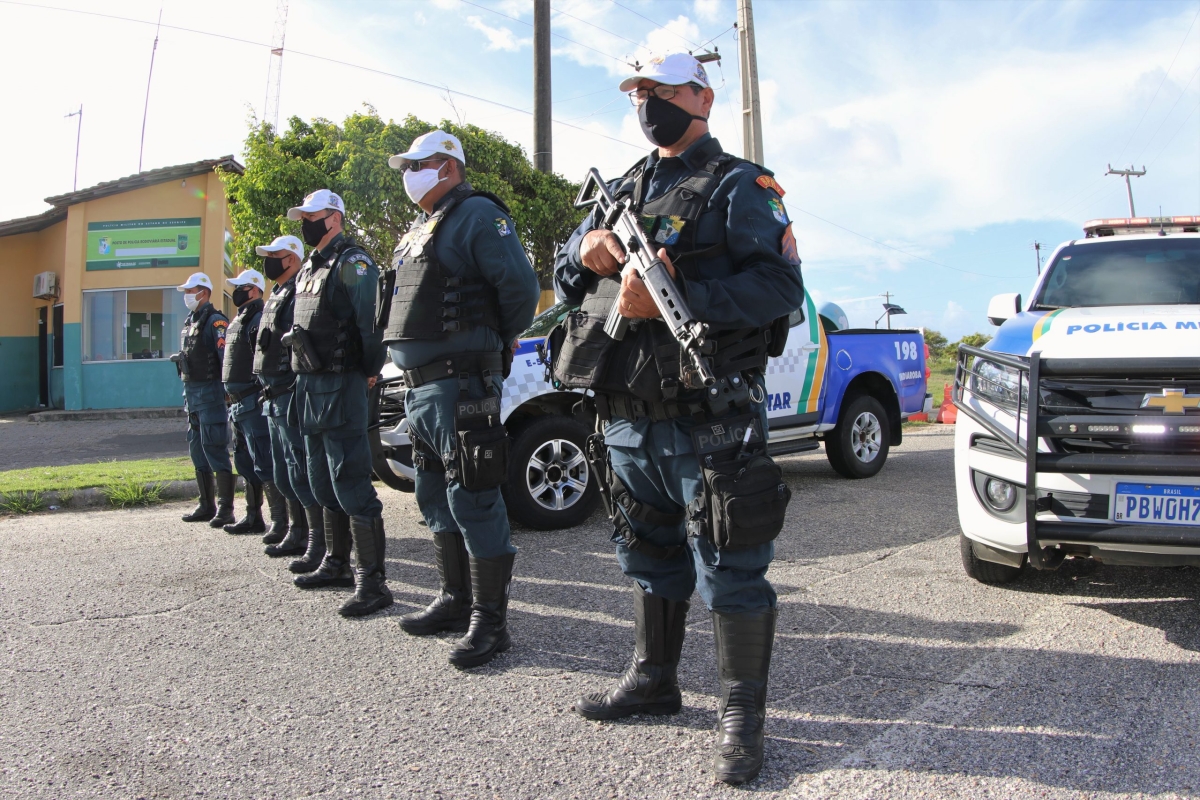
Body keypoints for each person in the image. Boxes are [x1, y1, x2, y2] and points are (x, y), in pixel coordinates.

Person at [552, 53, 805, 785]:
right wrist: (587, 249)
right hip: (628, 415)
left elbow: (779, 287)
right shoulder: (625, 186)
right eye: (638, 93)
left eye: (662, 91)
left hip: (709, 413)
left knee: (731, 566)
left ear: (703, 96)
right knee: (647, 552)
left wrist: (679, 294)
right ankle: (654, 678)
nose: (648, 104)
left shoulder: (741, 185)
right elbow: (569, 274)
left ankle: (742, 717)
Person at [382, 130, 539, 668]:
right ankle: (454, 599)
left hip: (461, 380)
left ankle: (491, 624)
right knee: (433, 491)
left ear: (448, 166)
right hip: (422, 386)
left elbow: (519, 287)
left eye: (418, 164)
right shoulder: (426, 225)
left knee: (473, 495)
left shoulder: (475, 214)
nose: (408, 173)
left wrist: (497, 336)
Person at [286, 190, 392, 618]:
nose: (305, 222)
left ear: (334, 218)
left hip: (343, 384)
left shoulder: (354, 262)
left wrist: (369, 370)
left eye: (312, 216)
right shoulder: (312, 266)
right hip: (308, 387)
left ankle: (373, 583)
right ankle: (335, 563)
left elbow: (371, 322)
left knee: (350, 482)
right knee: (320, 481)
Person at [252, 235, 321, 562]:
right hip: (273, 397)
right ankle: (297, 530)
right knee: (284, 471)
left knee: (300, 470)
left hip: (290, 393)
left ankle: (315, 539)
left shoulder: (297, 292)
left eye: (274, 255)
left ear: (291, 258)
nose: (269, 261)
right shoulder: (278, 294)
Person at [221, 269, 288, 538]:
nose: (237, 291)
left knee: (265, 462)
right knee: (245, 462)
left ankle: (280, 522)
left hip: (251, 400)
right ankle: (253, 516)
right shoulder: (240, 319)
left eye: (242, 287)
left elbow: (263, 359)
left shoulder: (259, 317)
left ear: (255, 290)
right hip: (237, 404)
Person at [174, 272, 235, 527]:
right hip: (192, 396)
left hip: (210, 395)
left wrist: (227, 390)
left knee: (215, 448)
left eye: (192, 290)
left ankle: (226, 508)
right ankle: (206, 504)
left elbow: (225, 359)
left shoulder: (215, 321)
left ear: (205, 292)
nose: (188, 295)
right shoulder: (190, 321)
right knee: (197, 451)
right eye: (187, 291)